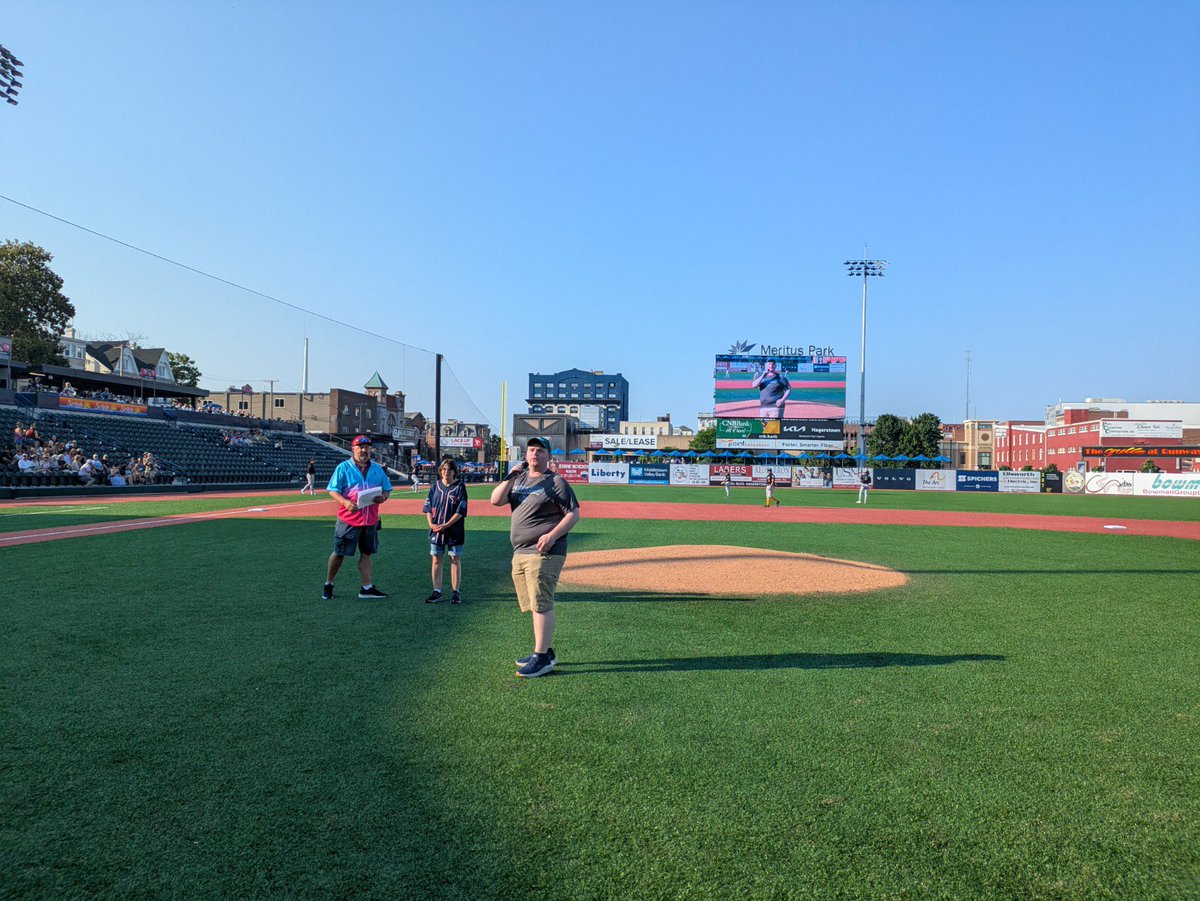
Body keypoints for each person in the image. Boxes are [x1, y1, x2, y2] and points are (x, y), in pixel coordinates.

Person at [489, 436, 581, 678]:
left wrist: (552, 535)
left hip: (544, 552)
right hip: (521, 551)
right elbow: (495, 500)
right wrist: (510, 476)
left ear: (548, 456)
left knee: (541, 604)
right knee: (533, 604)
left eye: (540, 451)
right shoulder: (518, 479)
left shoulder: (556, 482)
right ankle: (546, 652)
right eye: (531, 450)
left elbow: (574, 514)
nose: (534, 454)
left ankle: (540, 658)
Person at [323, 435, 392, 600]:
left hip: (370, 519)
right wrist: (345, 502)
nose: (364, 450)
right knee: (339, 553)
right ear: (353, 449)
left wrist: (383, 497)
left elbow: (387, 489)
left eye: (367, 448)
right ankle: (328, 583)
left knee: (367, 553)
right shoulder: (343, 467)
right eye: (360, 447)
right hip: (349, 519)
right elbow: (333, 489)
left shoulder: (377, 469)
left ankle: (366, 588)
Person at [423, 457, 469, 604]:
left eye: (449, 469)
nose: (446, 472)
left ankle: (456, 592)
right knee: (436, 559)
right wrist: (431, 524)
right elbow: (428, 507)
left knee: (455, 559)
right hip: (436, 530)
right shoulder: (434, 486)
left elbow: (461, 510)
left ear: (455, 471)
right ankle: (437, 591)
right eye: (443, 469)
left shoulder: (460, 487)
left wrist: (446, 525)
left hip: (454, 530)